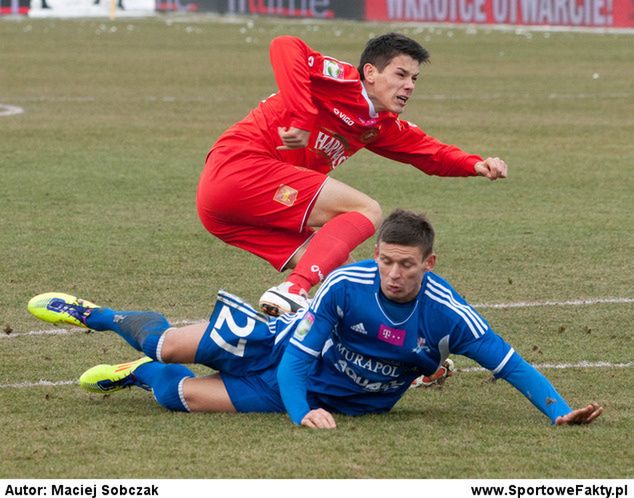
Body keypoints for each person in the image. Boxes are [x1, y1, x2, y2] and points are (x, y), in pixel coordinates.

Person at [28, 210, 602, 429]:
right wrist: (303, 413)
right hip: (282, 355)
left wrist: (558, 412)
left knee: (183, 396)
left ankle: (134, 373)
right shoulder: (348, 284)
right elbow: (299, 358)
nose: (394, 274)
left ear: (429, 264)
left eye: (407, 265)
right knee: (176, 344)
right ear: (375, 256)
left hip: (341, 401)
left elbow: (512, 364)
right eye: (386, 261)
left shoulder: (447, 315)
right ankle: (97, 315)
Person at [196, 33, 509, 317]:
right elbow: (284, 44)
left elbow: (431, 153)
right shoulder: (342, 80)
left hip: (223, 212)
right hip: (239, 167)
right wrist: (302, 114)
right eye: (400, 74)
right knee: (366, 210)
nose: (409, 85)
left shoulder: (381, 125)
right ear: (370, 73)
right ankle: (293, 289)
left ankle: (402, 357)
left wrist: (474, 164)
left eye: (414, 78)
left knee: (342, 275)